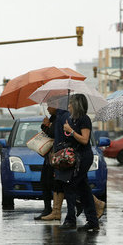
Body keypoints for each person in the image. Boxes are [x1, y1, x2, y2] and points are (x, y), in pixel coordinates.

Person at [59, 94, 99, 231]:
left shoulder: (84, 119)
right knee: (84, 188)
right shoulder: (72, 120)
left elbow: (84, 140)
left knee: (70, 185)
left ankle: (71, 219)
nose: (68, 106)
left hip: (84, 157)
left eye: (70, 103)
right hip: (76, 157)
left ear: (76, 105)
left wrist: (71, 131)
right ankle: (92, 220)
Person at [36, 106, 58, 220]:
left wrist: (45, 125)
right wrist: (47, 124)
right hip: (49, 156)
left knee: (55, 184)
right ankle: (48, 209)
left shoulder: (60, 117)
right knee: (45, 182)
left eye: (49, 105)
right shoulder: (53, 118)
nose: (47, 108)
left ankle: (52, 210)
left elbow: (52, 133)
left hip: (56, 156)